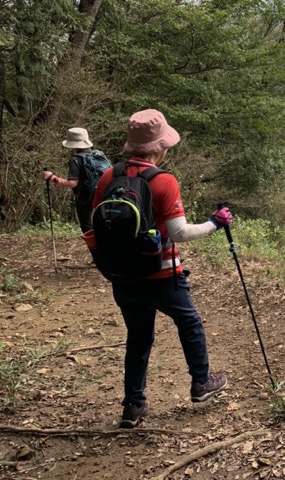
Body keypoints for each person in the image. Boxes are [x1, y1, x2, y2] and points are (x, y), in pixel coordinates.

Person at [92, 109, 231, 428]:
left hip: (122, 276)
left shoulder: (108, 177)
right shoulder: (163, 181)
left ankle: (133, 405)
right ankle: (201, 383)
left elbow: (96, 226)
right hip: (162, 275)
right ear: (159, 148)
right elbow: (180, 232)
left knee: (138, 337)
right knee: (189, 321)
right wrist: (214, 223)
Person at [43, 127, 108, 232]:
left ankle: (94, 247)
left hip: (85, 197)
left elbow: (72, 183)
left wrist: (53, 178)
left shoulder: (76, 159)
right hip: (104, 194)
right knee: (102, 223)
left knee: (87, 225)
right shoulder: (99, 154)